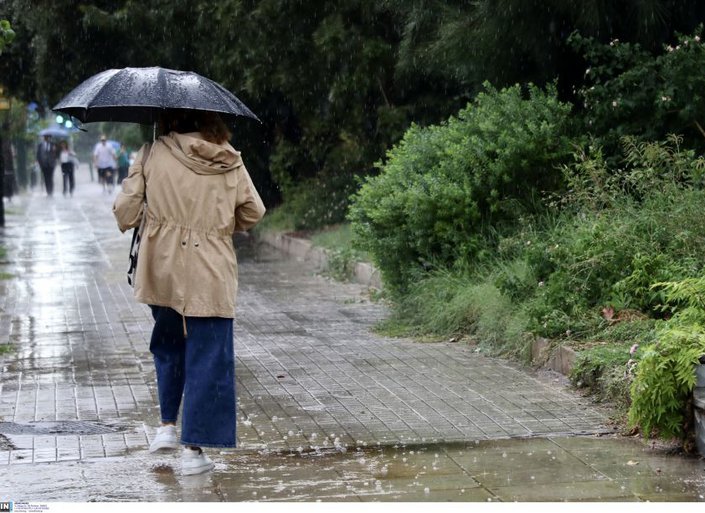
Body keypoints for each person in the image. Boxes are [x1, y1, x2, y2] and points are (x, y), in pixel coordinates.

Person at [112, 109, 265, 476]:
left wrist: (151, 190)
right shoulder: (229, 159)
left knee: (168, 344)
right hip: (210, 269)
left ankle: (166, 426)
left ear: (168, 120)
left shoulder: (152, 152)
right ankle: (193, 451)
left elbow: (125, 213)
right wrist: (217, 223)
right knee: (208, 355)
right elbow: (253, 212)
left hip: (161, 267)